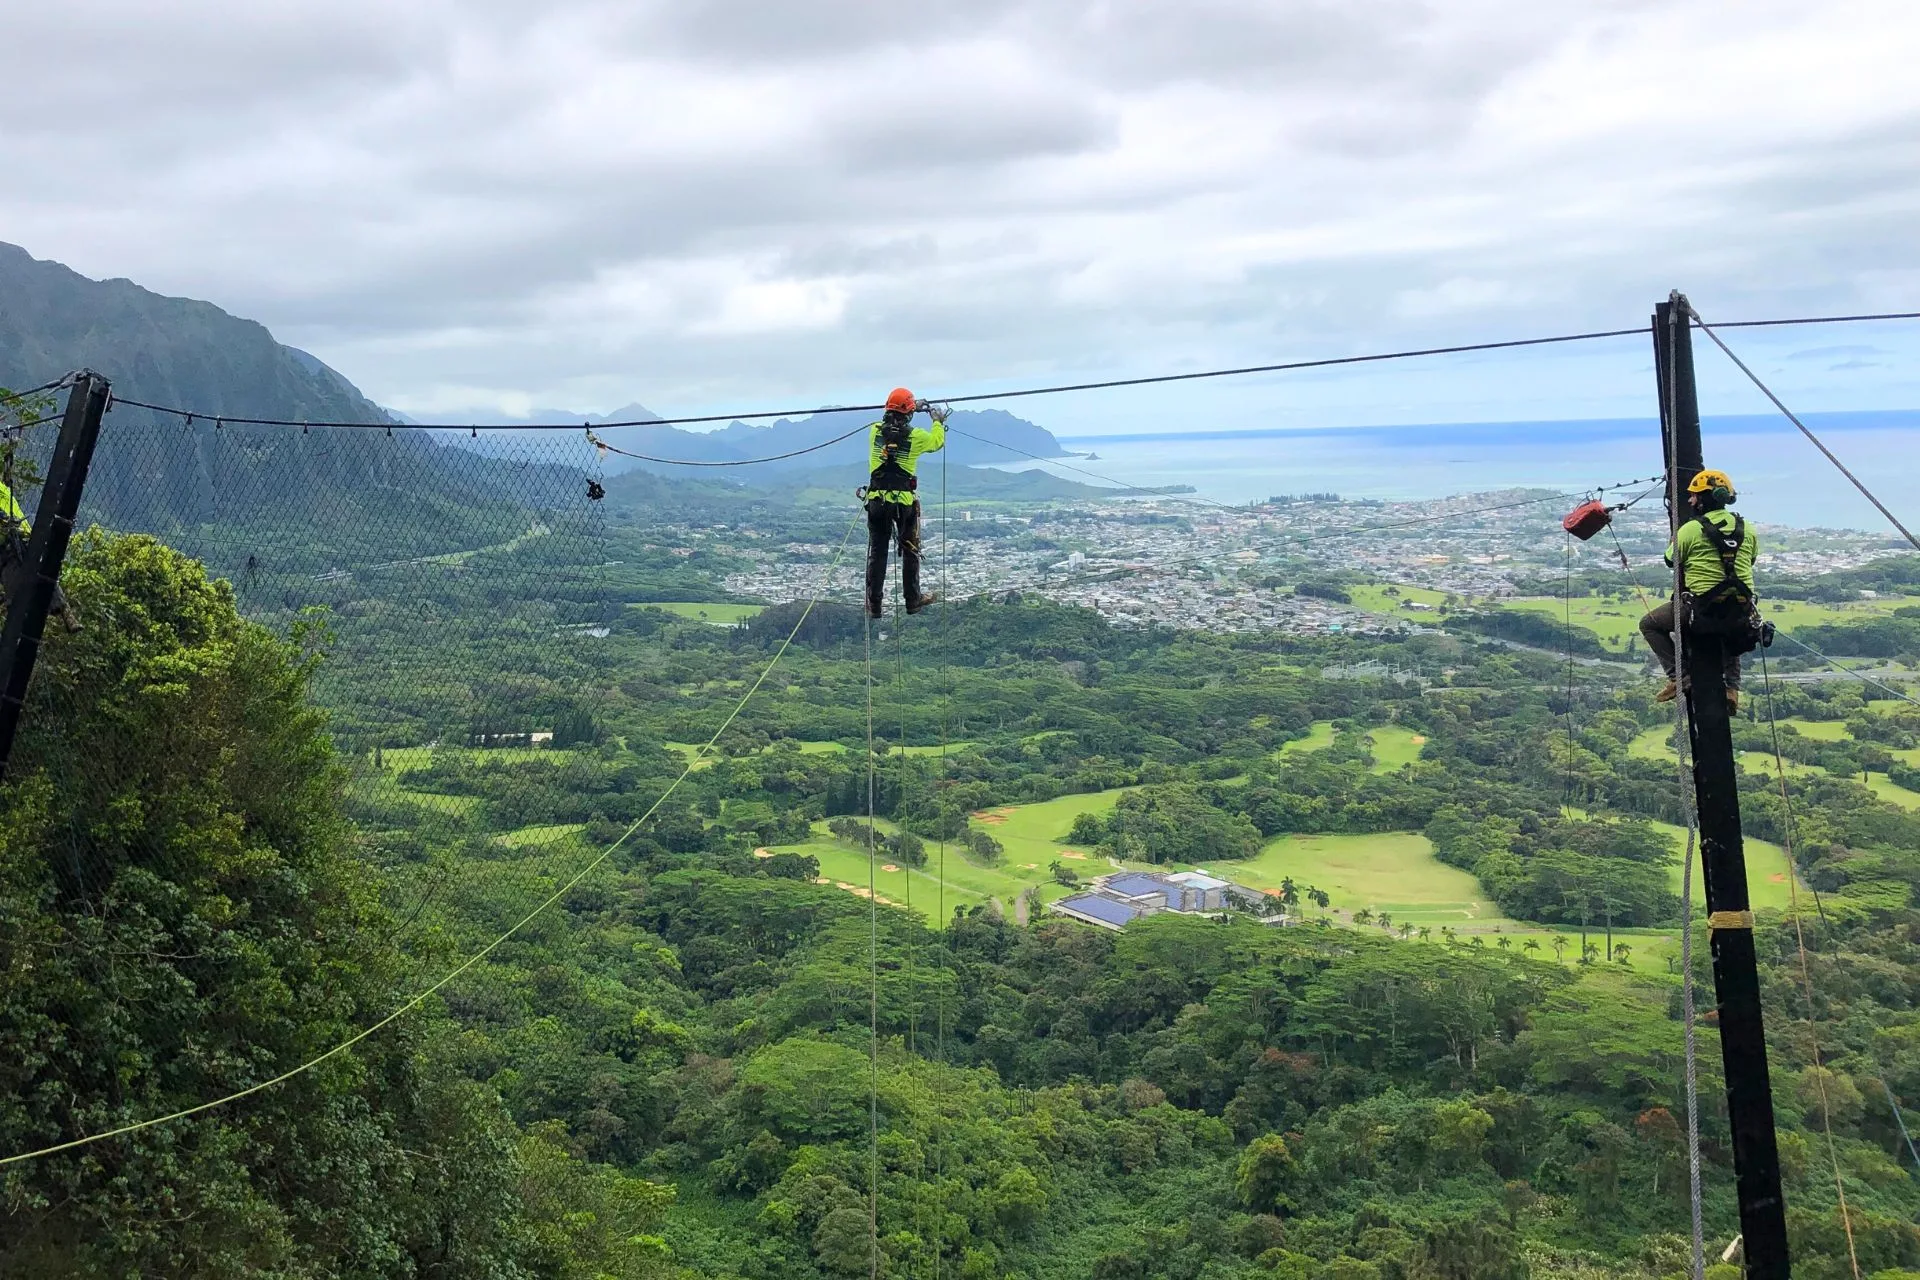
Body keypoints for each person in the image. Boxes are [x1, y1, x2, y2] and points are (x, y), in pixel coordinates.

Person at [1639, 468, 1756, 711]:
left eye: (1694, 496)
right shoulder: (1748, 528)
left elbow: (1671, 559)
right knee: (1730, 628)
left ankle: (1679, 677)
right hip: (1742, 608)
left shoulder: (1691, 529)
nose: (1691, 501)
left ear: (1704, 498)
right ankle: (1732, 689)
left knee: (1649, 624)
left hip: (1701, 609)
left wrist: (1676, 541)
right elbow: (1750, 560)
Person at [863, 387, 946, 619]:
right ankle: (912, 600)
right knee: (910, 550)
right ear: (909, 413)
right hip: (903, 504)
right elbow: (937, 442)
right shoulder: (916, 437)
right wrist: (937, 421)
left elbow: (889, 426)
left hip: (877, 501)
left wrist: (909, 408)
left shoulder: (873, 432)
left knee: (878, 552)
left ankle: (874, 604)